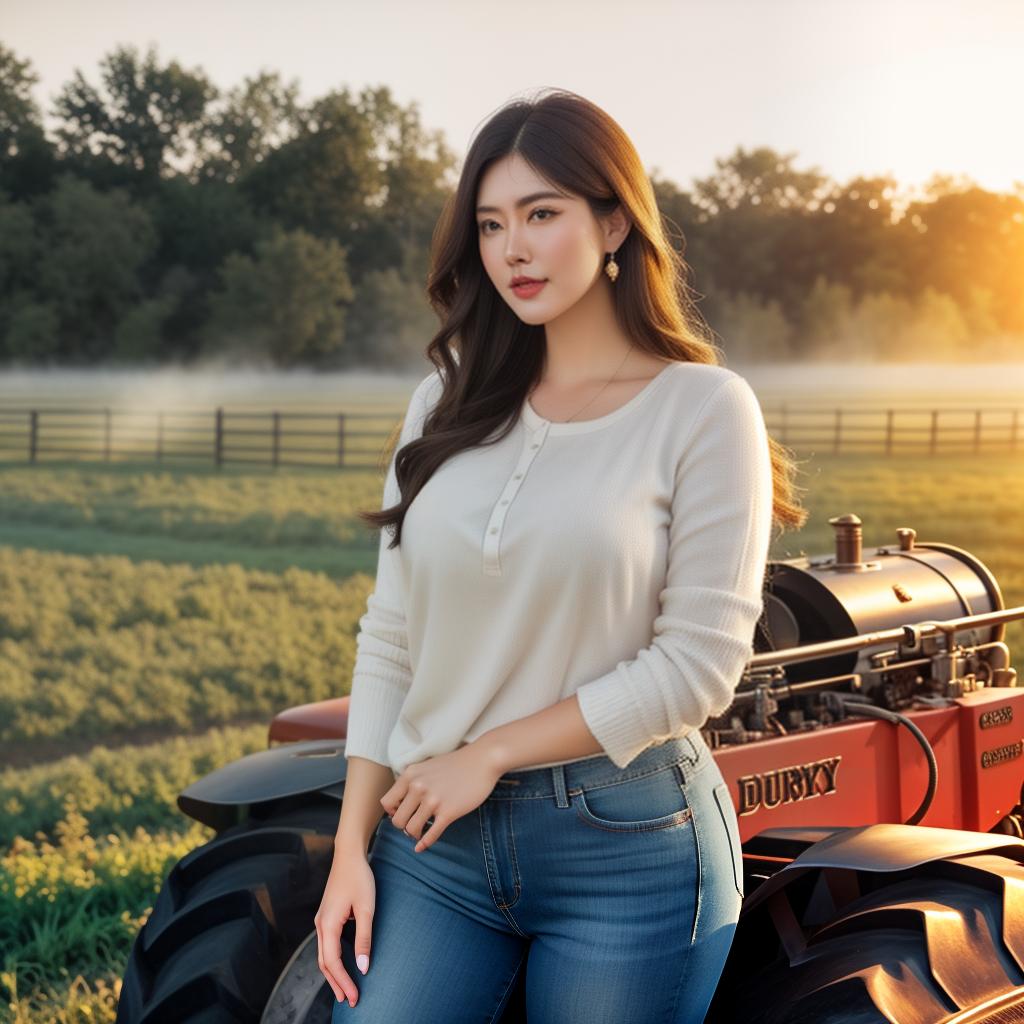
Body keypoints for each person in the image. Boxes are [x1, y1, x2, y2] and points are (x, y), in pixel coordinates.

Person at [315, 87, 806, 1023]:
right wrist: (349, 852)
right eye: (492, 224)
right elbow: (391, 636)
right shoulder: (444, 405)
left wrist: (492, 752)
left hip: (628, 846)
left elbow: (697, 668)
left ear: (615, 221)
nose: (513, 249)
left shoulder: (703, 408)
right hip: (435, 843)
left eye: (543, 214)